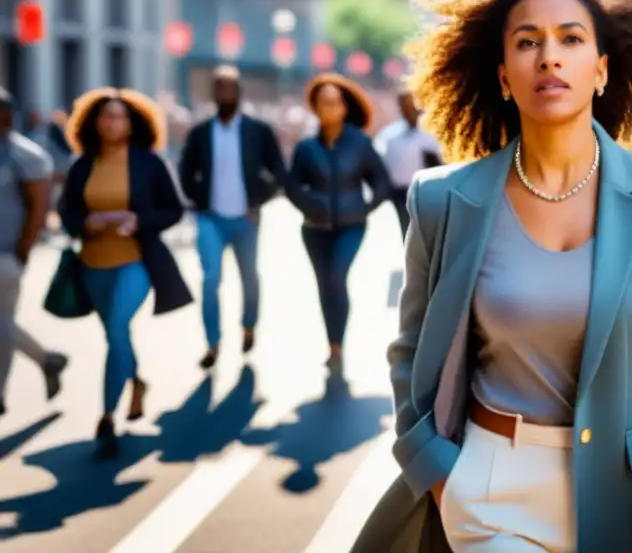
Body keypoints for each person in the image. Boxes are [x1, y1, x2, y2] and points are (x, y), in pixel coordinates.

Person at [355, 0, 632, 552]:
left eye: (569, 39)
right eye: (527, 42)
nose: (548, 55)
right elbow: (412, 353)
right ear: (503, 76)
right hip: (488, 491)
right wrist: (437, 471)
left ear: (600, 70)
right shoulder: (445, 200)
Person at [59, 88, 192, 458]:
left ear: (133, 124)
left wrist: (138, 220)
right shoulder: (82, 165)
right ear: (93, 122)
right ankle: (135, 382)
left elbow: (174, 211)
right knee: (117, 336)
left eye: (120, 116)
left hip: (136, 261)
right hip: (92, 265)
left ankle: (106, 419)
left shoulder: (149, 163)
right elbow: (67, 215)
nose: (112, 123)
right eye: (106, 116)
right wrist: (88, 222)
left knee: (116, 331)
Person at [178, 66, 286, 369]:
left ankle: (249, 325)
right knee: (210, 280)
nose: (225, 94)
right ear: (213, 94)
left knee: (249, 278)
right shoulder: (200, 133)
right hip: (210, 219)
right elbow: (186, 172)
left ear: (239, 93)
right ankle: (212, 343)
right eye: (220, 88)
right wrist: (198, 201)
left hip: (246, 219)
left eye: (230, 88)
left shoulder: (257, 131)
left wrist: (258, 201)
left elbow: (278, 171)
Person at [287, 72, 391, 380]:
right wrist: (309, 203)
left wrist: (365, 208)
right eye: (323, 103)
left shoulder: (359, 143)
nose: (329, 108)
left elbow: (381, 182)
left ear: (344, 107)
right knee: (323, 286)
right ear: (315, 108)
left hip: (351, 226)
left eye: (335, 103)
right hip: (314, 229)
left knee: (336, 278)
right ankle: (332, 345)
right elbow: (292, 185)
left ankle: (339, 345)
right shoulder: (306, 147)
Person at [0, 88, 67, 417]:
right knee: (3, 323)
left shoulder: (24, 155)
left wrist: (22, 251)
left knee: (2, 322)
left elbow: (39, 208)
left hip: (6, 256)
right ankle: (46, 360)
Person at [375, 91, 444, 239]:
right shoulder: (390, 136)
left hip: (427, 191)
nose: (409, 109)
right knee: (407, 231)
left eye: (412, 105)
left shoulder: (431, 133)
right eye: (404, 105)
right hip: (401, 193)